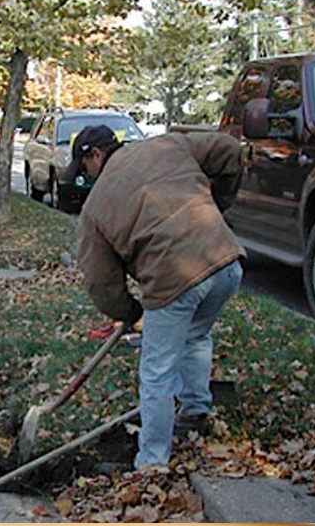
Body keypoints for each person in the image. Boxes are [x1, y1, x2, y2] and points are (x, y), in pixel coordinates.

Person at [65, 124, 245, 470]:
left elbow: (102, 283)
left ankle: (151, 462)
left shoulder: (95, 208)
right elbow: (230, 150)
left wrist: (128, 311)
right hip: (226, 263)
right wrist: (219, 205)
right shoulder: (167, 145)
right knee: (195, 336)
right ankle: (195, 410)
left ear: (95, 155)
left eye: (84, 167)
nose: (86, 176)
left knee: (157, 371)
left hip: (175, 277)